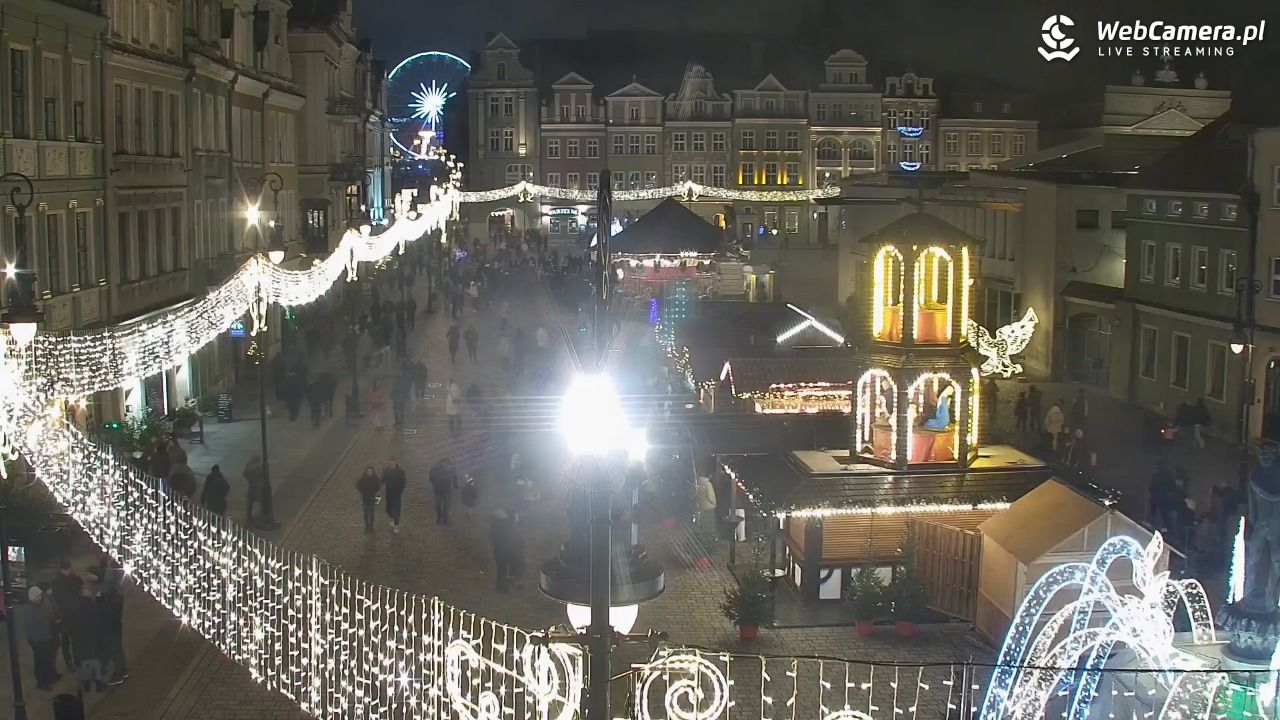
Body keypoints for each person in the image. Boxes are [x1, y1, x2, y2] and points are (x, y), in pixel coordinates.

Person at [64, 584, 106, 693]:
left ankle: (86, 683)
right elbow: (98, 623)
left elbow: (70, 625)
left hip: (79, 640)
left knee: (84, 663)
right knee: (95, 662)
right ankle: (98, 682)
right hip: (92, 639)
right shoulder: (92, 606)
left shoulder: (73, 607)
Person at [19, 585, 58, 690]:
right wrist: (37, 641)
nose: (40, 598)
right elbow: (31, 627)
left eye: (40, 596)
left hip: (45, 638)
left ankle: (47, 678)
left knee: (46, 659)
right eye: (38, 596)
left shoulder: (39, 605)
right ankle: (42, 682)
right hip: (38, 641)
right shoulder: (29, 609)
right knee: (40, 661)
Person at [50, 562, 83, 672]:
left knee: (74, 640)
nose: (67, 571)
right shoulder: (58, 582)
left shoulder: (61, 581)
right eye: (66, 569)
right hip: (65, 616)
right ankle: (70, 662)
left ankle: (76, 660)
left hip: (72, 614)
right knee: (67, 641)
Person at [98, 577, 126, 684]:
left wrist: (99, 601)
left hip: (110, 628)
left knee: (115, 652)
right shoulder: (117, 597)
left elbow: (107, 613)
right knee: (118, 650)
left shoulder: (112, 600)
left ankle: (118, 674)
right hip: (116, 627)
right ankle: (123, 670)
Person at [489, 509, 517, 593]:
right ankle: (504, 587)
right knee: (506, 569)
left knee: (501, 569)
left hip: (499, 551)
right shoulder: (509, 527)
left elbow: (492, 539)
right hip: (507, 551)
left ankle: (500, 585)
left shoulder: (495, 527)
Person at [429, 458, 457, 525]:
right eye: (446, 462)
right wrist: (435, 482)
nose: (446, 464)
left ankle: (445, 519)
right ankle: (439, 516)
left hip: (447, 490)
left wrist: (455, 485)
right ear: (441, 462)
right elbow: (431, 478)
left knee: (446, 505)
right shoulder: (434, 468)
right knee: (437, 505)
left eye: (448, 462)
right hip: (438, 490)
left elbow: (454, 475)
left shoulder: (449, 468)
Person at [382, 459, 407, 533]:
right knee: (389, 510)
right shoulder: (386, 471)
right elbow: (382, 480)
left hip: (397, 494)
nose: (392, 464)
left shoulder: (400, 471)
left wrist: (401, 491)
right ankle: (394, 518)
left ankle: (396, 525)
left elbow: (403, 481)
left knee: (396, 510)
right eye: (390, 463)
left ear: (396, 463)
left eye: (393, 463)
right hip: (389, 494)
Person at [356, 466, 380, 533]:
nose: (369, 473)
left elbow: (378, 487)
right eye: (368, 471)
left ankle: (371, 526)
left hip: (372, 498)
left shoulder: (375, 479)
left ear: (373, 472)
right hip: (365, 498)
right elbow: (358, 485)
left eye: (371, 471)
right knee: (366, 513)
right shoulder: (363, 479)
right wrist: (362, 491)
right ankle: (367, 526)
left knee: (372, 513)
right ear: (366, 472)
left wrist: (375, 492)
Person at [243, 455, 265, 527]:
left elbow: (244, 474)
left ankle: (249, 517)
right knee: (261, 501)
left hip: (252, 486)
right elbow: (263, 475)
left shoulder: (249, 468)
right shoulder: (258, 468)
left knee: (250, 503)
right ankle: (261, 516)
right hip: (258, 487)